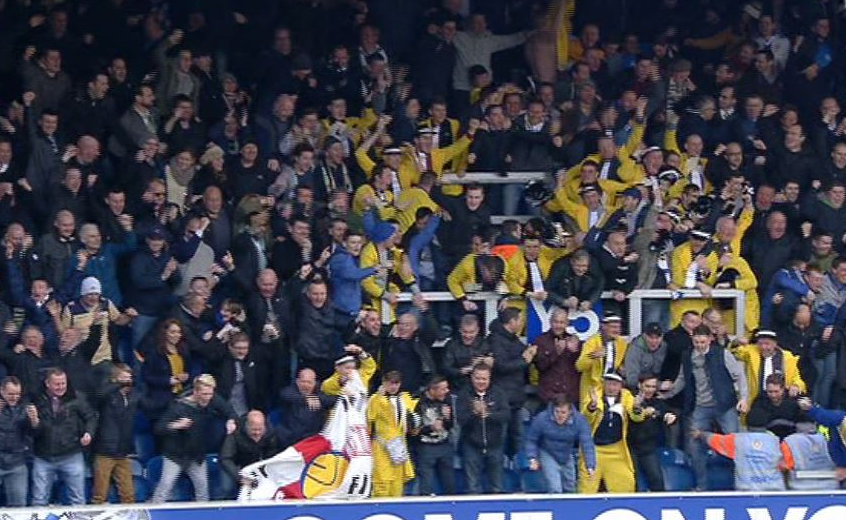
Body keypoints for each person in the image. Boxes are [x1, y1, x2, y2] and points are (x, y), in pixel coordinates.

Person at [664, 325, 749, 491]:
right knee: (694, 444)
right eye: (696, 342)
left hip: (724, 405)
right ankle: (701, 485)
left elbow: (739, 375)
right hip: (700, 406)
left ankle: (742, 483)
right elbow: (682, 379)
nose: (700, 345)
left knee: (735, 444)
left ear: (710, 339)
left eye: (703, 342)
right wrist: (667, 394)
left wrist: (743, 398)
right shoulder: (687, 355)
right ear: (692, 339)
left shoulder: (722, 353)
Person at [152, 374, 237, 503]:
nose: (208, 397)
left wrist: (231, 420)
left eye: (210, 394)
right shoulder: (178, 406)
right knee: (165, 487)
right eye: (204, 394)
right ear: (195, 392)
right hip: (175, 455)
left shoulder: (212, 398)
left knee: (202, 490)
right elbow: (158, 428)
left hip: (196, 455)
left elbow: (229, 411)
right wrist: (176, 425)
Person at [30, 368, 98, 506]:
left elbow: (91, 417)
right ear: (47, 383)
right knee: (39, 500)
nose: (61, 387)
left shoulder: (76, 397)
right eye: (57, 384)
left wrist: (88, 433)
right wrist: (34, 423)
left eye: (63, 383)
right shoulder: (36, 399)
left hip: (71, 455)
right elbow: (30, 430)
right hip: (43, 457)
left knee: (78, 500)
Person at [691, 407, 789, 491]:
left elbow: (713, 439)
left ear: (747, 423)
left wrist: (700, 434)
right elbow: (785, 465)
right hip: (775, 491)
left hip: (746, 492)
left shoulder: (737, 440)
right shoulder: (776, 442)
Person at [579, 372, 644, 494]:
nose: (611, 388)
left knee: (626, 484)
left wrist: (636, 407)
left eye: (615, 384)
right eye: (608, 384)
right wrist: (591, 407)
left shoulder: (626, 396)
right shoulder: (594, 394)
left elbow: (637, 418)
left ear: (620, 386)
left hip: (617, 449)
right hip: (594, 450)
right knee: (587, 487)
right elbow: (585, 419)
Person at [456, 363, 510, 494]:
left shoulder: (498, 393)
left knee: (497, 487)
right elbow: (460, 419)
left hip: (495, 444)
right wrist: (474, 413)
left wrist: (489, 414)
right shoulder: (464, 394)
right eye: (478, 378)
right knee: (472, 487)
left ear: (489, 378)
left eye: (484, 378)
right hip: (471, 445)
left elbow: (506, 415)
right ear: (472, 378)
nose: (481, 382)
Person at [90, 364, 140, 504]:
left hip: (123, 451)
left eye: (129, 378)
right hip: (105, 451)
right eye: (124, 377)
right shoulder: (107, 396)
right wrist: (118, 385)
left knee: (128, 494)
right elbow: (98, 396)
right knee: (100, 494)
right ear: (114, 379)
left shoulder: (133, 396)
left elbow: (148, 403)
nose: (127, 381)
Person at [525, 395, 595, 494]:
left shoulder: (579, 421)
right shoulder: (542, 418)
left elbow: (587, 443)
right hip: (547, 452)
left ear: (570, 412)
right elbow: (531, 440)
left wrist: (590, 466)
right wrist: (532, 458)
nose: (559, 415)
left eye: (563, 412)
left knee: (570, 487)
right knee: (555, 488)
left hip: (567, 453)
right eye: (557, 412)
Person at [367, 371, 418, 497]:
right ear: (384, 383)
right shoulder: (375, 399)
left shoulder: (405, 399)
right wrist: (379, 397)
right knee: (381, 482)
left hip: (399, 447)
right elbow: (370, 417)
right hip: (382, 446)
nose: (393, 386)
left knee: (397, 483)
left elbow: (413, 418)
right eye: (390, 383)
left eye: (396, 383)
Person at [628, 374, 677, 491]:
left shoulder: (658, 402)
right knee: (632, 481)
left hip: (648, 447)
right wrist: (638, 407)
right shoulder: (628, 399)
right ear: (639, 385)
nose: (650, 390)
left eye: (653, 387)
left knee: (657, 480)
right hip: (629, 447)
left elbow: (668, 413)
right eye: (647, 386)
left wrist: (670, 417)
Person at [220, 410, 281, 499]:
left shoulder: (270, 433)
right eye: (254, 430)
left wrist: (264, 473)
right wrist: (239, 477)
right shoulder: (235, 432)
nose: (257, 433)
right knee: (226, 487)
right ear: (247, 426)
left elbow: (271, 456)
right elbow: (225, 458)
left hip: (256, 464)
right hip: (235, 464)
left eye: (260, 429)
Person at [414, 375, 455, 496]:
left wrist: (447, 419)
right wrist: (430, 428)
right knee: (426, 485)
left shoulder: (446, 399)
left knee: (450, 485)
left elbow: (451, 425)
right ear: (432, 390)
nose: (447, 391)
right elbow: (412, 431)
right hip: (425, 447)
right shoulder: (417, 402)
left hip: (445, 445)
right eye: (443, 389)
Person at [277, 368, 336, 447]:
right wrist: (305, 399)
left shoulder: (320, 392)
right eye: (303, 381)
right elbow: (285, 394)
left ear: (315, 383)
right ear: (297, 381)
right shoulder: (290, 391)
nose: (306, 385)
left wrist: (318, 399)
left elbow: (335, 399)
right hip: (290, 438)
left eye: (309, 382)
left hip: (312, 440)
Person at [0, 376, 35, 507]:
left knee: (18, 507)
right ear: (2, 391)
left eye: (17, 394)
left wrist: (35, 421)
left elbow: (34, 434)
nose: (14, 397)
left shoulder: (25, 408)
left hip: (16, 463)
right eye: (11, 394)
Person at [576, 314, 628, 402]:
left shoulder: (621, 343)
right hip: (593, 386)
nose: (617, 330)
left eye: (619, 327)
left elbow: (620, 363)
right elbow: (579, 366)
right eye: (613, 327)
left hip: (612, 386)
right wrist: (593, 356)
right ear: (604, 326)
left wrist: (622, 369)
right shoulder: (592, 342)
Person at [534, 308, 582, 404]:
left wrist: (575, 352)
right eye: (556, 322)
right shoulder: (541, 340)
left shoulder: (573, 340)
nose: (558, 326)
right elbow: (540, 366)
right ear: (550, 322)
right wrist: (556, 352)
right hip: (549, 396)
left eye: (562, 322)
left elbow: (581, 366)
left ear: (567, 323)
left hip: (570, 397)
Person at [749, 373, 806, 439]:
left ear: (783, 389)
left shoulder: (794, 399)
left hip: (792, 439)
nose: (773, 395)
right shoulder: (760, 400)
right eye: (770, 392)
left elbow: (805, 423)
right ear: (766, 389)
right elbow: (753, 424)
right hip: (768, 438)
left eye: (776, 391)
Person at [622, 322, 667, 392]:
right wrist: (658, 385)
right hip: (636, 388)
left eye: (657, 337)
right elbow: (631, 380)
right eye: (651, 337)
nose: (654, 341)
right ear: (644, 336)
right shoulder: (634, 349)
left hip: (657, 386)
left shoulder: (665, 347)